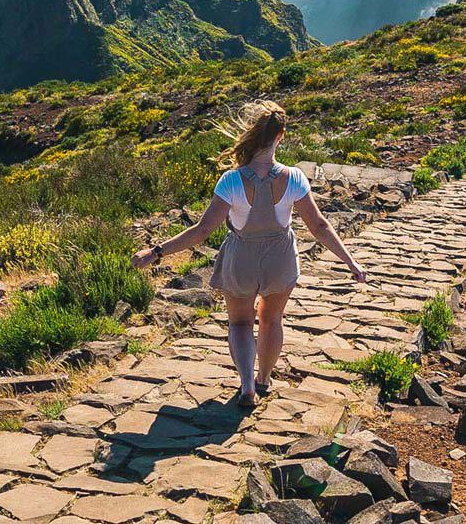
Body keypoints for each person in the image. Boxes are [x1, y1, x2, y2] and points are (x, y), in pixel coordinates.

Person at [133, 100, 367, 408]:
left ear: (251, 134)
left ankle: (246, 385)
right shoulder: (295, 178)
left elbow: (201, 231)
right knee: (272, 319)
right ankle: (264, 379)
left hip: (241, 259)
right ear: (280, 136)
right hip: (280, 259)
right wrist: (350, 262)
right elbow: (319, 226)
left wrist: (156, 251)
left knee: (240, 323)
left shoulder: (231, 180)